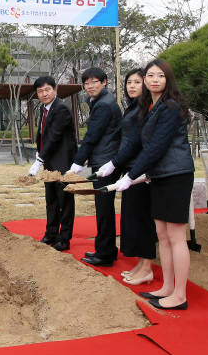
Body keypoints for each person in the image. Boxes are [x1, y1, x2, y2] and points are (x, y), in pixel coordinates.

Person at [116, 59, 194, 310]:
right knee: (162, 233)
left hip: (176, 174)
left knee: (176, 235)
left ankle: (179, 294)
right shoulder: (151, 106)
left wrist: (131, 176)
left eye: (160, 76)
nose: (154, 80)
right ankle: (168, 287)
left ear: (167, 80)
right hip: (159, 175)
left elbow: (158, 146)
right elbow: (142, 143)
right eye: (150, 75)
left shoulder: (171, 106)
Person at [96, 69, 157, 284]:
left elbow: (136, 142)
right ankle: (141, 264)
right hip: (129, 169)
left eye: (137, 82)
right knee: (133, 218)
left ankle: (147, 267)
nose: (132, 86)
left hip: (140, 170)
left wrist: (114, 163)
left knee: (142, 219)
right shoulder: (133, 107)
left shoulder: (146, 108)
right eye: (129, 82)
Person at [67, 67, 122, 267]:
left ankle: (105, 253)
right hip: (102, 160)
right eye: (86, 83)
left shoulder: (104, 105)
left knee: (104, 209)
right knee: (103, 208)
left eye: (94, 82)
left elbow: (92, 137)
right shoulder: (100, 101)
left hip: (105, 163)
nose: (90, 86)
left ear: (104, 82)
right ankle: (105, 249)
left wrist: (77, 163)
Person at [28, 76, 77, 251]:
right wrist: (38, 151)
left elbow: (55, 136)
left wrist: (39, 159)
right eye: (40, 91)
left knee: (65, 200)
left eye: (47, 90)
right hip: (49, 160)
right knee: (51, 200)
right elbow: (42, 134)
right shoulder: (44, 108)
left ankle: (64, 239)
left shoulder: (61, 109)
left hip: (63, 161)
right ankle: (51, 233)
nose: (44, 94)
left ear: (55, 90)